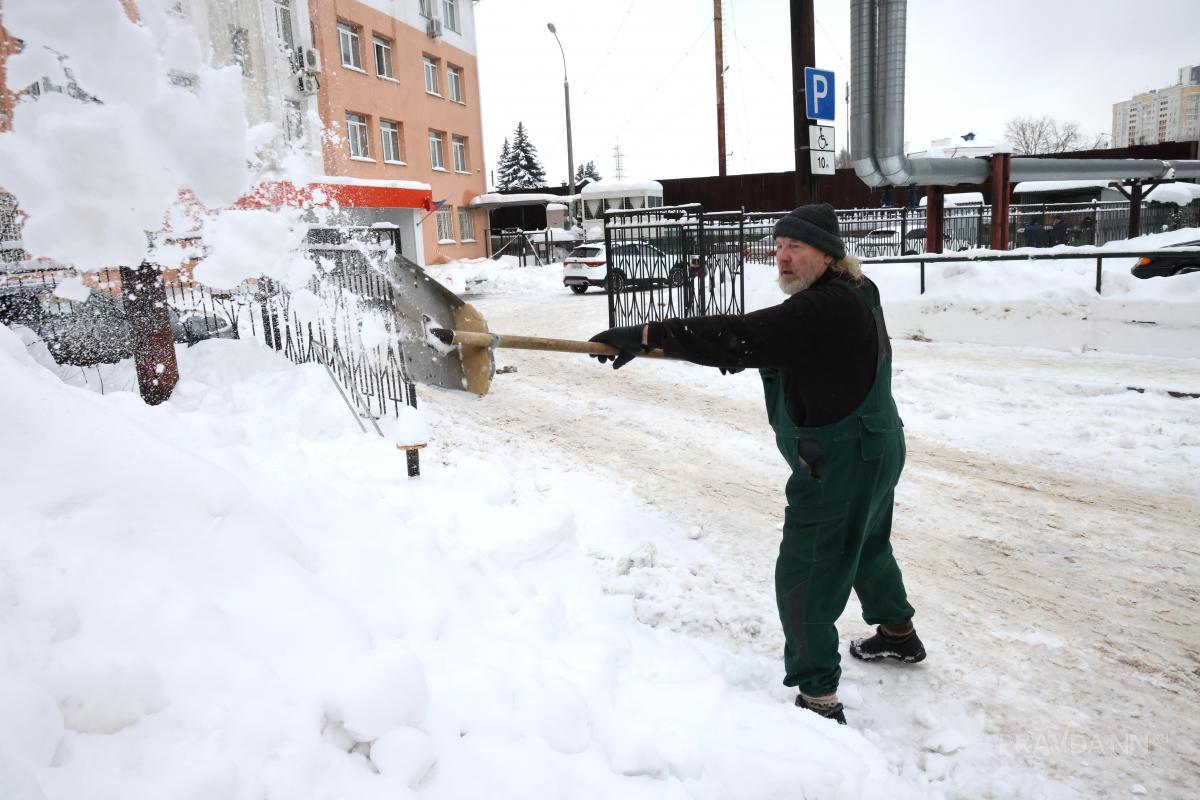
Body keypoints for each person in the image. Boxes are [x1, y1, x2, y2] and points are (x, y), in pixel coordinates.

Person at [588, 204, 924, 725]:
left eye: (796, 247)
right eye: (780, 244)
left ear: (828, 253)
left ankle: (818, 697)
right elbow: (787, 347)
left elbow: (742, 334)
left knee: (808, 567)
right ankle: (898, 634)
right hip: (876, 444)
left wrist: (646, 335)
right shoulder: (858, 290)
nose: (782, 256)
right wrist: (734, 351)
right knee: (866, 543)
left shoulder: (825, 306)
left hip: (838, 458)